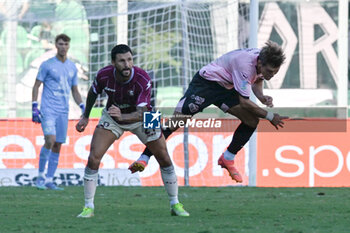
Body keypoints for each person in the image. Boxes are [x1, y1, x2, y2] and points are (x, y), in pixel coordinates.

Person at [128, 41, 288, 183]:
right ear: (260, 62)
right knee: (176, 123)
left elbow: (258, 78)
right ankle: (144, 157)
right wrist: (270, 116)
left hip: (225, 88)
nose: (271, 75)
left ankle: (228, 158)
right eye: (270, 71)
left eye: (275, 72)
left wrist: (261, 97)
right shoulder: (245, 64)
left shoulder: (260, 61)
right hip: (206, 84)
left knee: (251, 121)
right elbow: (245, 102)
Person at [75, 44, 190, 218]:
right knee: (93, 157)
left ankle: (175, 203)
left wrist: (122, 117)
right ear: (113, 62)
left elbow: (142, 112)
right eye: (122, 61)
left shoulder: (142, 78)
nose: (127, 64)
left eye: (129, 59)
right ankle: (88, 207)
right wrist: (85, 116)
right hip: (113, 115)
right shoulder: (104, 75)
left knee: (164, 156)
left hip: (144, 116)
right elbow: (93, 92)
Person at [32, 33, 85, 190]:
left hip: (64, 110)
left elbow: (75, 90)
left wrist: (83, 106)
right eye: (60, 44)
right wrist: (34, 106)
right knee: (50, 139)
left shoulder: (72, 67)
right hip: (48, 109)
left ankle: (49, 179)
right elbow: (36, 85)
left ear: (69, 46)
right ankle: (40, 177)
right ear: (56, 45)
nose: (63, 47)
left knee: (58, 144)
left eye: (66, 44)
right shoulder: (47, 65)